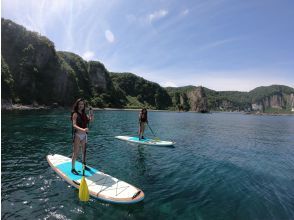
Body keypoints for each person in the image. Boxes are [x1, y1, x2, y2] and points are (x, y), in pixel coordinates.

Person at [71, 98, 94, 175]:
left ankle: (83, 165)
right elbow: (74, 125)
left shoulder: (84, 114)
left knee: (84, 152)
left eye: (82, 104)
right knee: (76, 152)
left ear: (84, 105)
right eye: (80, 104)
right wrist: (83, 129)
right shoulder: (75, 114)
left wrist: (91, 113)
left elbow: (91, 120)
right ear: (77, 105)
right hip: (77, 135)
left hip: (84, 136)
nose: (81, 105)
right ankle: (73, 168)